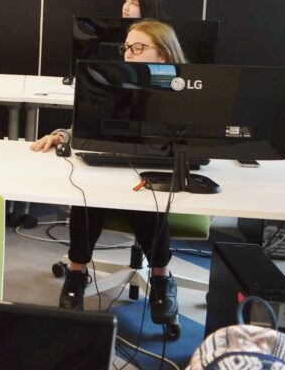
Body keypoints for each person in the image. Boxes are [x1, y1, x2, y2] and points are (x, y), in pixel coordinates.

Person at [30, 19, 187, 323]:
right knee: (86, 196)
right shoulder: (113, 84)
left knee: (149, 203)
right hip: (110, 169)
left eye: (137, 48)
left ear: (163, 55)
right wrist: (61, 136)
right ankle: (77, 274)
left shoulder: (183, 92)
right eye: (126, 48)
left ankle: (161, 279)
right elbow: (82, 127)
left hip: (152, 174)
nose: (128, 54)